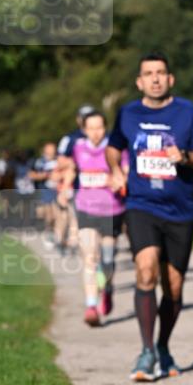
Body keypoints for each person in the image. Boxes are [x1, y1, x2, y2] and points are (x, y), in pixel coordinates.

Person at [106, 52, 193, 380]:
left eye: (160, 72)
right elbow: (113, 145)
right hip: (141, 205)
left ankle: (163, 346)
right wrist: (115, 170)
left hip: (180, 210)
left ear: (170, 79)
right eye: (148, 73)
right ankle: (146, 351)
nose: (154, 78)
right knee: (145, 270)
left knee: (174, 288)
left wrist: (185, 157)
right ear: (139, 81)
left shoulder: (186, 111)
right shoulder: (128, 113)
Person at [64, 112, 128, 326]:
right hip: (86, 209)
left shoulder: (115, 149)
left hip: (112, 211)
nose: (95, 132)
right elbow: (73, 170)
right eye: (91, 128)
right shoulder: (78, 148)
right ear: (84, 129)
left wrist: (119, 179)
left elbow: (125, 171)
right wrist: (64, 187)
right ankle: (91, 305)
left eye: (99, 127)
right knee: (90, 258)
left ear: (105, 128)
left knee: (107, 261)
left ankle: (107, 288)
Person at [56, 104, 95, 253]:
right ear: (78, 120)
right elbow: (61, 160)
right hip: (77, 185)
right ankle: (75, 244)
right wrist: (79, 162)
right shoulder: (71, 138)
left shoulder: (104, 136)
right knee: (76, 217)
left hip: (102, 188)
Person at [30, 142, 60, 249]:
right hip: (45, 191)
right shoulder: (39, 162)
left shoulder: (59, 160)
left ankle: (59, 236)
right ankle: (49, 233)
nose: (51, 152)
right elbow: (31, 175)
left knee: (59, 215)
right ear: (45, 150)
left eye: (53, 149)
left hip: (59, 191)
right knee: (49, 216)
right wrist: (45, 175)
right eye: (49, 150)